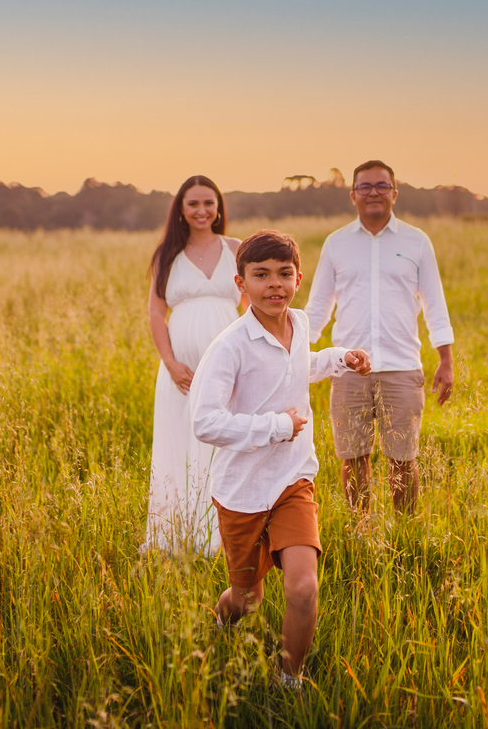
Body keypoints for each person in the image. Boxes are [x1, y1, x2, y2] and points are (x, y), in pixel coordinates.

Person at [190, 230, 371, 688]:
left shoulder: (301, 323)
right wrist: (274, 426)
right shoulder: (229, 346)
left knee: (303, 588)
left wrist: (338, 359)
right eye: (261, 275)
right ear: (241, 283)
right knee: (247, 599)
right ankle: (218, 623)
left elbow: (296, 366)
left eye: (284, 274)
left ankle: (289, 680)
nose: (275, 284)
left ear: (299, 277)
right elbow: (205, 421)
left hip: (293, 479)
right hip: (243, 490)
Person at [304, 160, 455, 516]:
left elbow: (435, 303)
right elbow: (317, 308)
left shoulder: (417, 242)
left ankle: (405, 532)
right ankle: (362, 530)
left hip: (402, 368)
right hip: (348, 370)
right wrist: (294, 354)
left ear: (395, 193)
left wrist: (446, 361)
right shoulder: (336, 244)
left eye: (381, 186)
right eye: (366, 187)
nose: (374, 193)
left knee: (403, 460)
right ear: (353, 194)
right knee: (352, 458)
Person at [141, 175, 245, 556]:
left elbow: (250, 310)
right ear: (181, 211)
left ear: (219, 207)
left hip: (228, 367)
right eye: (193, 204)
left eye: (209, 203)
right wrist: (170, 363)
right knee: (179, 444)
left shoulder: (236, 248)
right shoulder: (167, 254)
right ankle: (174, 536)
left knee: (223, 446)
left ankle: (223, 538)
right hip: (180, 373)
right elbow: (156, 313)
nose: (202, 211)